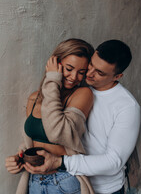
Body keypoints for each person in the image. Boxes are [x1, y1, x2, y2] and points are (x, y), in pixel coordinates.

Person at [23, 40, 141, 194]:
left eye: (99, 72)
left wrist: (61, 162)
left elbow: (114, 162)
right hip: (70, 178)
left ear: (117, 76)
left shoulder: (127, 106)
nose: (89, 74)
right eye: (90, 65)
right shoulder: (75, 87)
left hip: (103, 188)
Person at [5, 38, 95, 194]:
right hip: (34, 181)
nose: (74, 77)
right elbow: (32, 143)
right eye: (69, 68)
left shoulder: (82, 94)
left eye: (82, 72)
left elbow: (57, 133)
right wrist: (19, 158)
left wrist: (53, 79)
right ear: (55, 63)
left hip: (64, 181)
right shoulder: (34, 98)